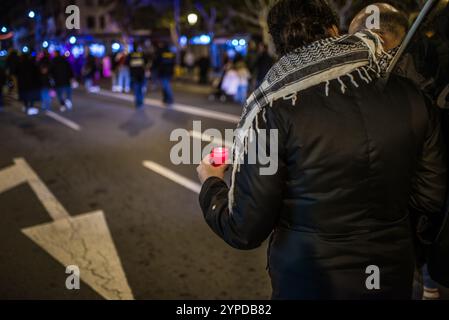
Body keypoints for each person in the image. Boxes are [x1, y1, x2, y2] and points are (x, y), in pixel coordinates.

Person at [196, 0, 447, 299]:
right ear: (333, 30)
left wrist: (211, 183)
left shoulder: (272, 108)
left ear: (278, 45)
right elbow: (430, 196)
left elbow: (245, 228)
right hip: (390, 272)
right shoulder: (410, 94)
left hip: (309, 278)